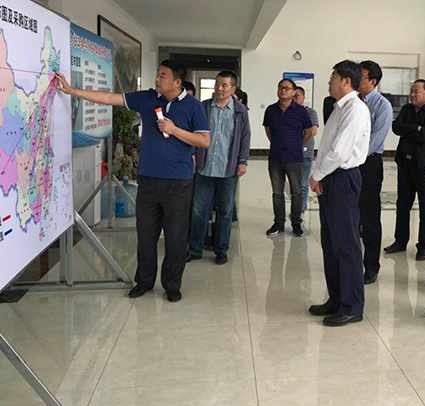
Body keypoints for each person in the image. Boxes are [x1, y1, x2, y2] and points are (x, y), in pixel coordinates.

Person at [55, 61, 210, 302]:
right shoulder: (147, 98)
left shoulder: (193, 106)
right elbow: (109, 98)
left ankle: (172, 285)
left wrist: (175, 130)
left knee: (175, 237)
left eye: (163, 75)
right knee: (146, 235)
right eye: (157, 73)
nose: (157, 78)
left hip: (178, 182)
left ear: (177, 82)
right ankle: (144, 282)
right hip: (148, 180)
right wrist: (72, 91)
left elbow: (204, 141)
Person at [308, 60, 370, 326]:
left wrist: (317, 175)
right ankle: (336, 299)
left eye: (333, 76)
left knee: (346, 245)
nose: (329, 80)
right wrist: (319, 173)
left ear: (346, 81)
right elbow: (326, 147)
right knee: (331, 243)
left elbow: (340, 152)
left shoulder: (356, 109)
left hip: (343, 178)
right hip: (331, 176)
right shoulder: (338, 108)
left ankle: (352, 306)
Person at [187, 70, 250, 265]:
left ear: (233, 88)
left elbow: (245, 137)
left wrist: (243, 161)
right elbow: (194, 132)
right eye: (217, 84)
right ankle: (194, 249)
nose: (219, 88)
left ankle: (221, 249)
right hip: (204, 168)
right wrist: (193, 155)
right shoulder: (204, 107)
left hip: (228, 170)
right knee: (199, 210)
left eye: (224, 85)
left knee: (225, 212)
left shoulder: (240, 111)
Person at [384, 80, 425, 261]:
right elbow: (396, 127)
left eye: (417, 91)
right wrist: (415, 127)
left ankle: (423, 246)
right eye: (411, 91)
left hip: (424, 167)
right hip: (405, 164)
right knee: (402, 205)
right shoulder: (407, 109)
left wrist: (410, 130)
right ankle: (400, 241)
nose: (412, 94)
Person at [357, 60, 393, 285]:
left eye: (361, 77)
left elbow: (374, 140)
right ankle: (351, 263)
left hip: (369, 164)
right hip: (349, 164)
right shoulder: (352, 101)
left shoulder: (382, 105)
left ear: (373, 81)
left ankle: (371, 266)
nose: (356, 80)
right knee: (352, 215)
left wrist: (351, 155)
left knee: (370, 217)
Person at [263, 78, 313, 237]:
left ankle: (296, 223)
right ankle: (278, 223)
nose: (283, 90)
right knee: (277, 192)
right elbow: (268, 130)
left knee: (297, 192)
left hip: (295, 158)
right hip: (275, 158)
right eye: (280, 87)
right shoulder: (270, 110)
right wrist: (278, 143)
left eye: (287, 88)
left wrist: (298, 144)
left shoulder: (301, 111)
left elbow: (309, 132)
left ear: (293, 92)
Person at [292, 86, 318, 216]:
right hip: (291, 153)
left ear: (303, 97)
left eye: (296, 96)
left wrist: (297, 137)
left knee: (303, 183)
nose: (294, 98)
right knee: (293, 183)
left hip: (305, 153)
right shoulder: (289, 112)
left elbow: (313, 131)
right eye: (292, 96)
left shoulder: (310, 112)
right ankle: (295, 208)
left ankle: (300, 210)